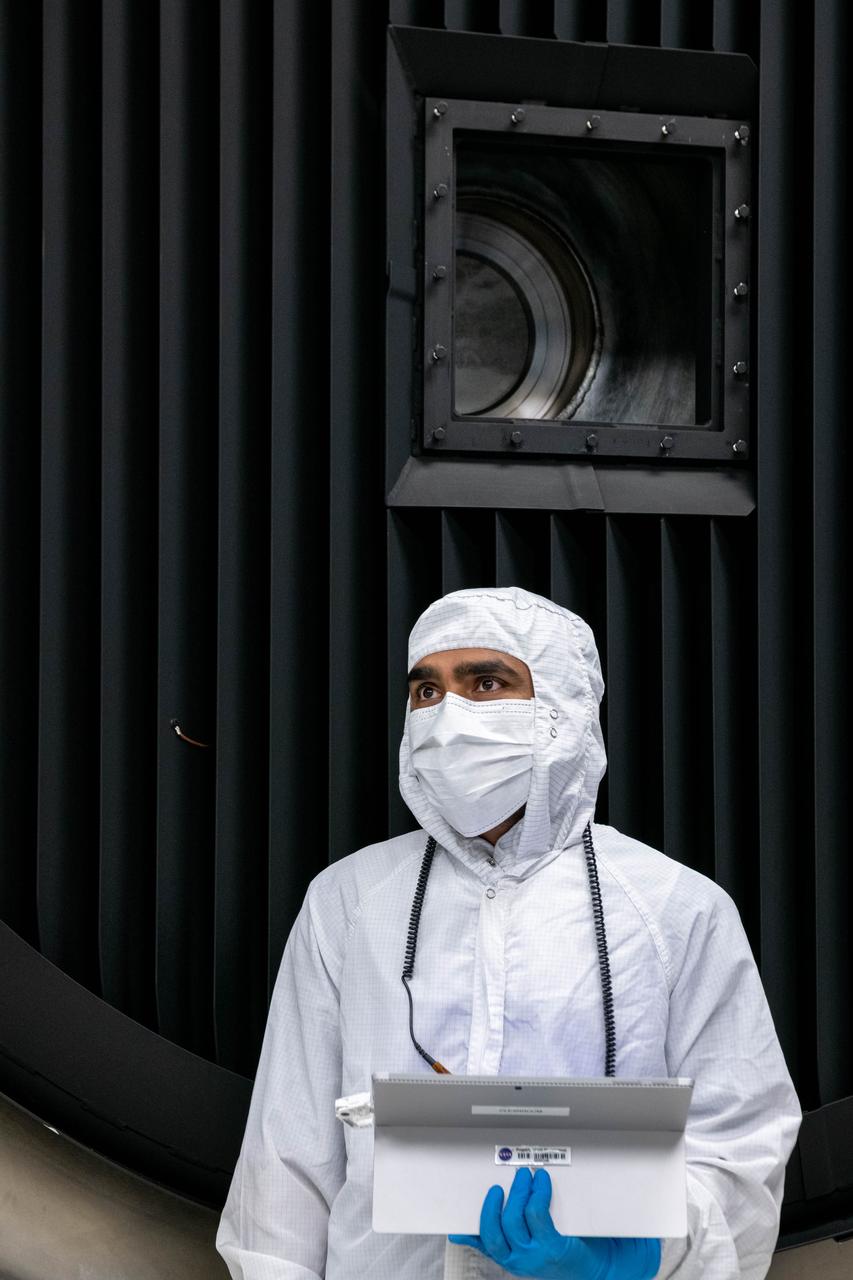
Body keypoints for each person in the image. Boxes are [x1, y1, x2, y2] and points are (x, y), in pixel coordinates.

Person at [216, 586, 801, 1279]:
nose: (447, 715)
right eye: (427, 691)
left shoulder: (675, 908)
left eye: (485, 682)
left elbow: (740, 1145)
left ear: (560, 707)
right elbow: (286, 1158)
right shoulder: (348, 902)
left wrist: (640, 1255)